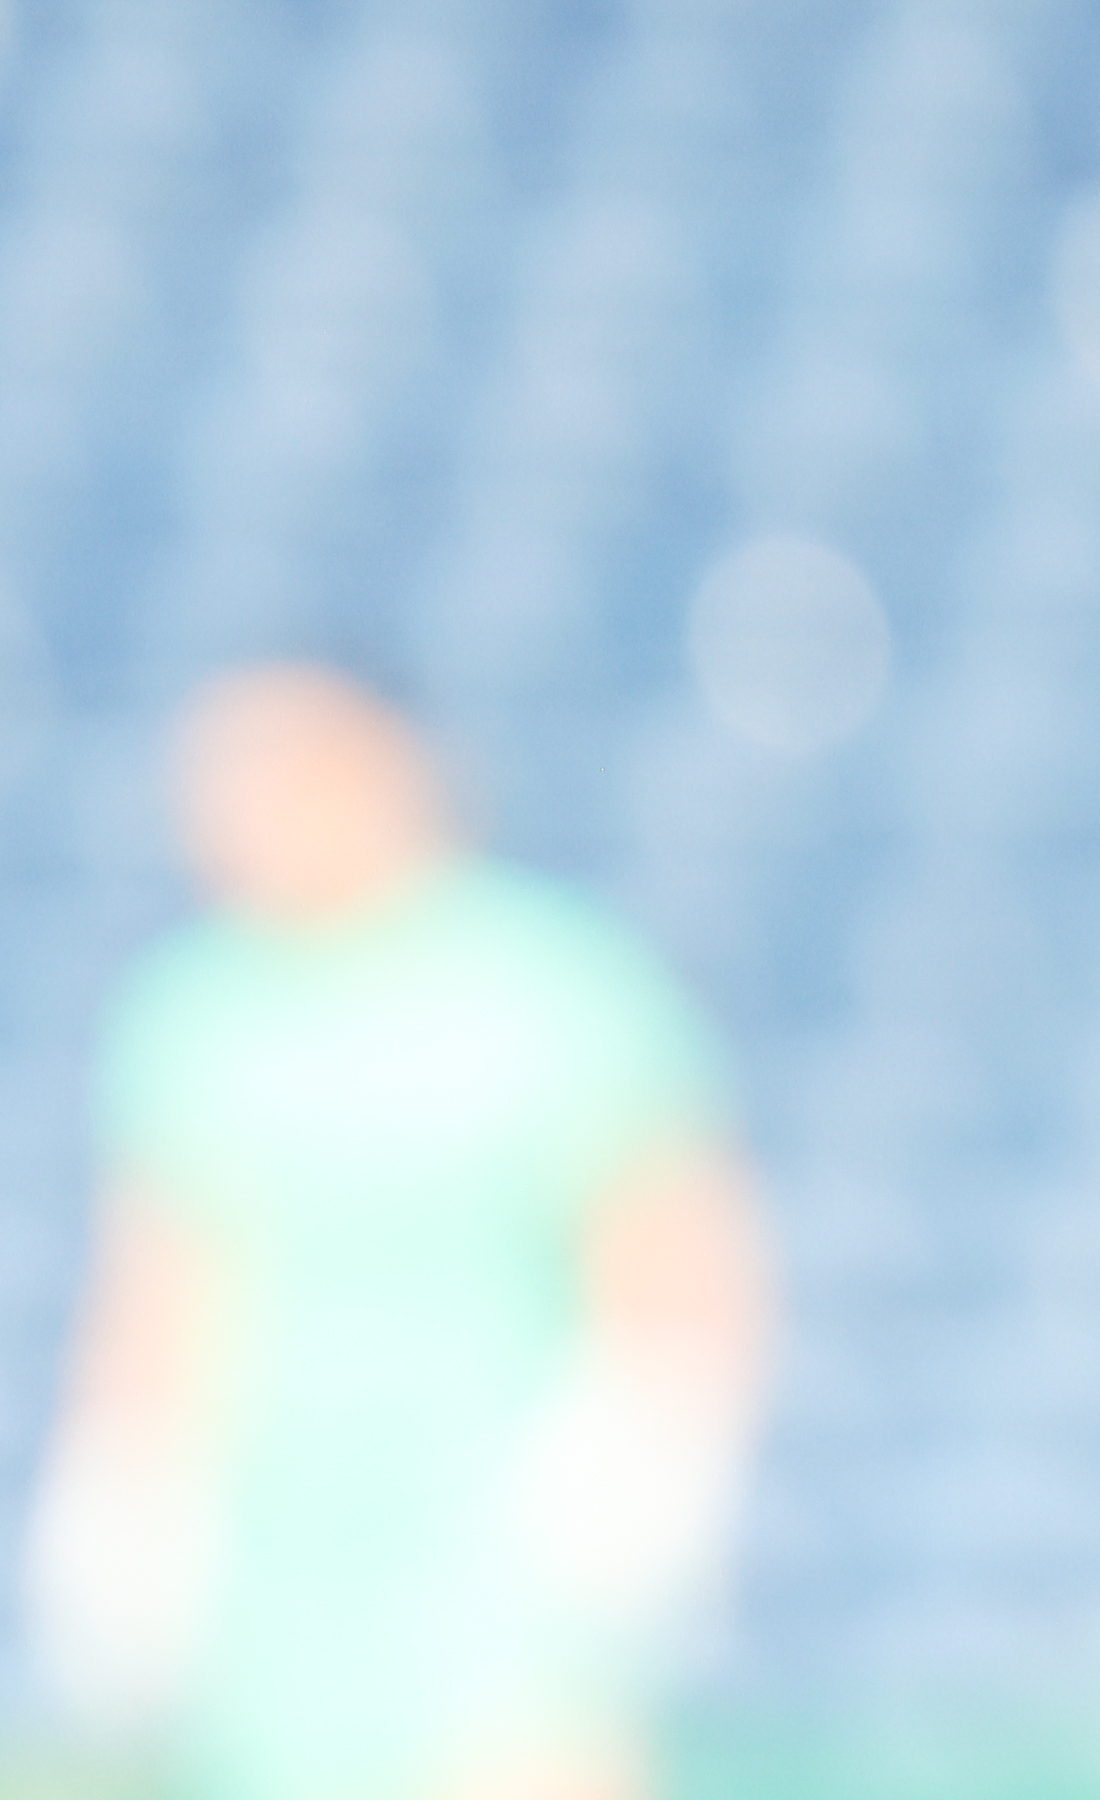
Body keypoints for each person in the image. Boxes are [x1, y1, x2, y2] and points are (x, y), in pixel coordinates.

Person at [27, 667, 775, 1800]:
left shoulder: (548, 981)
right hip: (276, 1568)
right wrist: (121, 1500)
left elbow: (675, 1242)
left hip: (500, 1546)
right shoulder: (195, 1012)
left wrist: (647, 1457)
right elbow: (161, 1288)